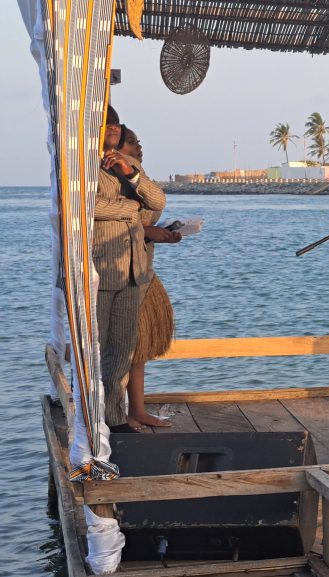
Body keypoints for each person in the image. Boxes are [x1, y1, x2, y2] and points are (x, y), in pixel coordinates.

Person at [94, 107, 166, 432]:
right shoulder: (83, 165)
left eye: (115, 124)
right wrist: (130, 208)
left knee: (123, 348)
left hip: (134, 270)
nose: (111, 129)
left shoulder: (128, 165)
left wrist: (131, 174)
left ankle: (115, 417)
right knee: (95, 347)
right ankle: (92, 416)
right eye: (105, 124)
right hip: (102, 270)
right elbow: (85, 205)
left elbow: (158, 201)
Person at [117, 125, 181, 430]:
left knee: (140, 346)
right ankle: (124, 411)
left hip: (143, 267)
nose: (138, 146)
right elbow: (107, 226)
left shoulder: (137, 176)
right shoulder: (111, 177)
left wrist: (159, 232)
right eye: (131, 142)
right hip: (121, 271)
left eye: (139, 141)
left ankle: (137, 409)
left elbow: (154, 204)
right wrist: (146, 232)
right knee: (125, 345)